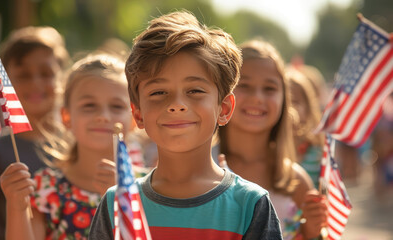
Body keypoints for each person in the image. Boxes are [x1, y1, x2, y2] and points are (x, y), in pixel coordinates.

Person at [89, 11, 282, 240]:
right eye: (159, 92)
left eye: (195, 91)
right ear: (138, 113)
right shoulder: (116, 204)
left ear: (224, 108)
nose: (177, 105)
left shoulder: (250, 204)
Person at [0, 53, 137, 239]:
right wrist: (16, 207)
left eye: (116, 106)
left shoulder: (148, 188)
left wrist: (121, 202)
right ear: (66, 117)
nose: (103, 116)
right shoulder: (47, 188)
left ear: (135, 118)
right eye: (89, 105)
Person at [0, 26, 70, 240]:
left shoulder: (78, 144)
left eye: (46, 73)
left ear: (62, 77)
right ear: (4, 82)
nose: (36, 83)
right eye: (23, 75)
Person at [217, 39, 327, 240]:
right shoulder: (200, 166)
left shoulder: (296, 180)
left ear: (284, 99)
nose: (258, 97)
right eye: (245, 85)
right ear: (224, 94)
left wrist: (311, 231)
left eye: (269, 88)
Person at [286, 68, 324, 187]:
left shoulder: (318, 152)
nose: (290, 109)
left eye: (295, 102)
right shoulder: (270, 148)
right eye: (285, 102)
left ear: (308, 109)